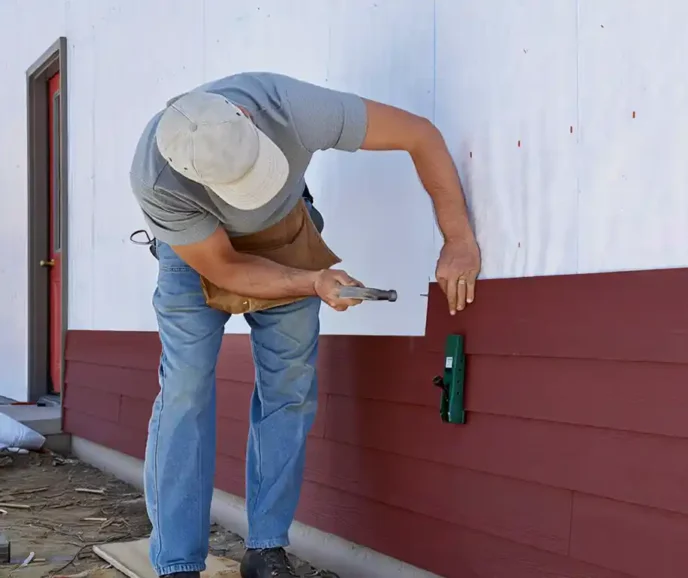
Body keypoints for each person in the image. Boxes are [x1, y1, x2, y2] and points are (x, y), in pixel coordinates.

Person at [127, 71, 481, 578]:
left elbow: (418, 134)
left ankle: (266, 548)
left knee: (288, 387)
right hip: (200, 252)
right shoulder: (156, 177)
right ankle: (178, 563)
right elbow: (225, 268)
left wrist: (458, 238)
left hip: (288, 229)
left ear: (246, 118)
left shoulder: (288, 106)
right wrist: (312, 282)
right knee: (184, 389)